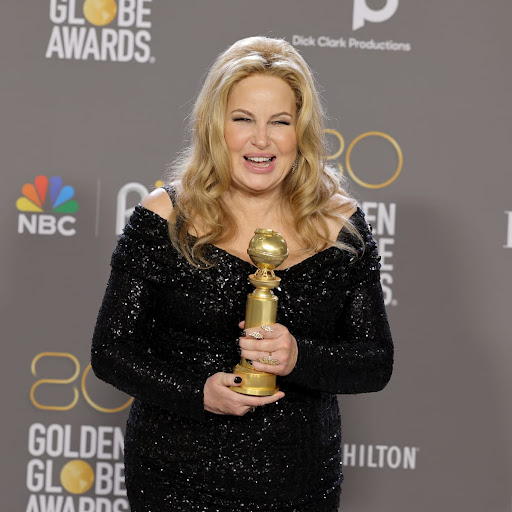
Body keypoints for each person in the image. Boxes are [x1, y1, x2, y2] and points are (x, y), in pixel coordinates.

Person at [91, 36, 393, 511]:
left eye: (280, 122)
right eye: (243, 119)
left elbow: (375, 362)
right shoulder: (166, 218)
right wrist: (198, 393)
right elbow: (111, 351)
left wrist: (298, 356)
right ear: (216, 128)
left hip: (299, 479)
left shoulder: (340, 226)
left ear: (301, 131)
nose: (260, 140)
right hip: (176, 476)